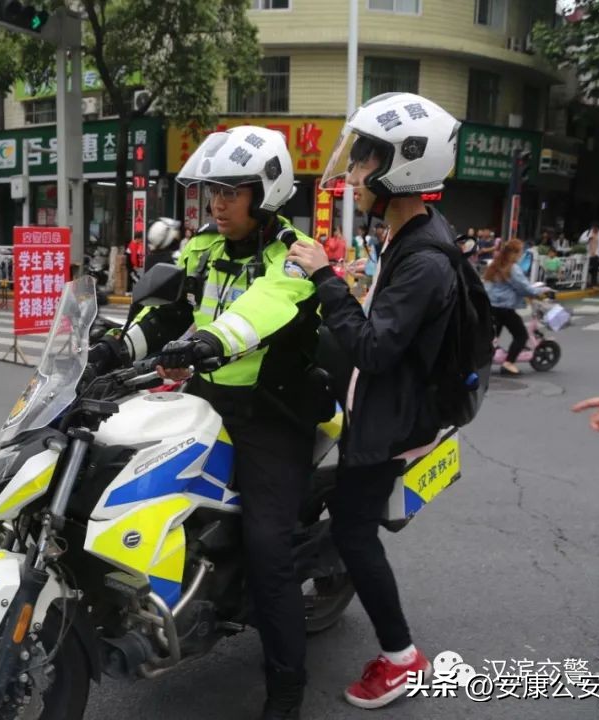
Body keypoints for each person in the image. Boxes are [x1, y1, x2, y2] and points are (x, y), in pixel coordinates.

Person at [93, 126, 325, 719]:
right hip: (202, 402)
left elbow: (262, 309)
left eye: (230, 191)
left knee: (269, 550)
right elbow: (165, 308)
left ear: (265, 193)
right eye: (210, 191)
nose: (216, 203)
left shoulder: (295, 254)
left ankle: (286, 692)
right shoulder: (202, 247)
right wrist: (117, 348)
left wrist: (207, 341)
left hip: (270, 416)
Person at [286, 92, 465, 710]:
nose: (353, 175)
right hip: (383, 407)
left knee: (357, 531)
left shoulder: (424, 259)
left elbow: (374, 349)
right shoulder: (408, 234)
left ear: (403, 166)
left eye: (364, 162)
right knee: (337, 503)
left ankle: (401, 657)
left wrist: (324, 277)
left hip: (392, 423)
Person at [483, 239, 549, 377]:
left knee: (491, 338)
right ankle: (509, 363)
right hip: (504, 308)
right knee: (521, 335)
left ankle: (481, 362)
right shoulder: (512, 268)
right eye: (520, 252)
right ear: (514, 253)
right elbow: (524, 288)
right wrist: (540, 291)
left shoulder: (495, 264)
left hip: (492, 306)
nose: (521, 254)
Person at [580, 221, 599, 287]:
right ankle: (585, 283)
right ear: (592, 227)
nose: (595, 229)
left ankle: (593, 283)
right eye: (594, 228)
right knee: (587, 269)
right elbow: (580, 241)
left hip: (596, 254)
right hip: (588, 254)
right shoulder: (587, 232)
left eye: (596, 228)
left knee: (595, 269)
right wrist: (588, 238)